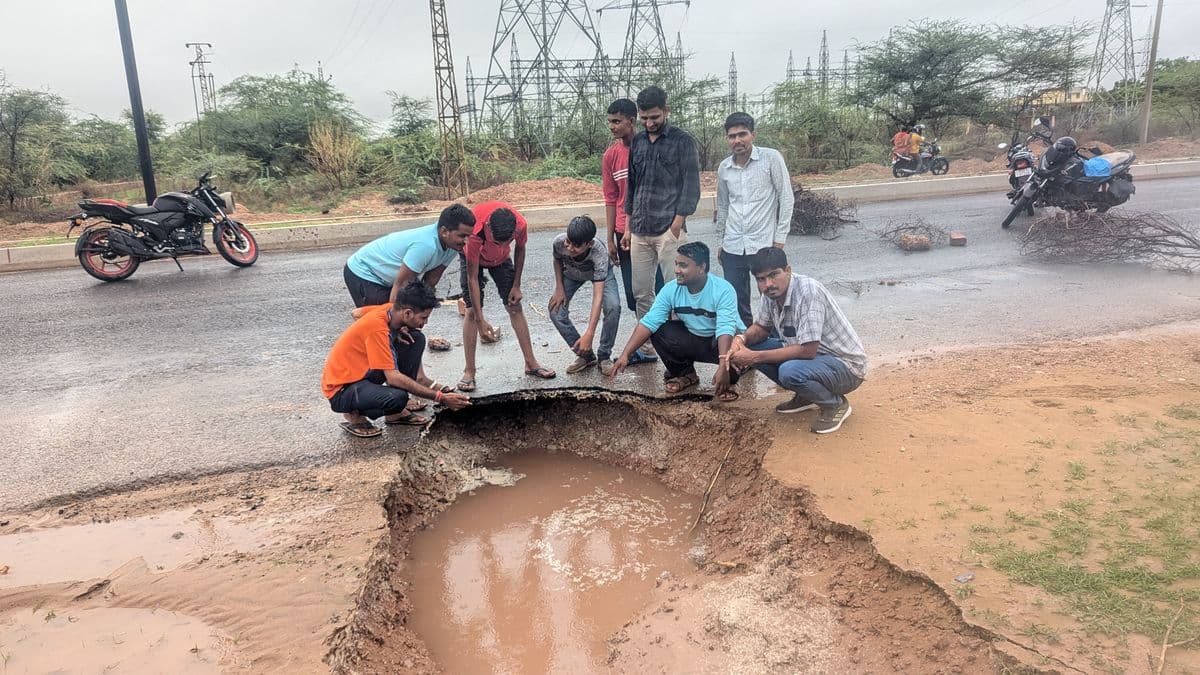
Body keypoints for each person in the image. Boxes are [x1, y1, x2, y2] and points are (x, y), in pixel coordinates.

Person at [727, 247, 867, 434]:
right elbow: (761, 328)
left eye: (774, 275)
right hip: (816, 361)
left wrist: (753, 357)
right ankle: (806, 395)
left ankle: (835, 405)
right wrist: (740, 339)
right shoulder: (771, 293)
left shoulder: (809, 291)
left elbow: (807, 351)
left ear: (788, 270)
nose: (768, 284)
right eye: (761, 279)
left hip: (846, 368)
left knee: (789, 371)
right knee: (751, 344)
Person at [321, 280, 471, 438]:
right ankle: (354, 415)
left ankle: (395, 415)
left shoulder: (389, 311)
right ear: (407, 313)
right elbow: (393, 378)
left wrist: (395, 331)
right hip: (341, 390)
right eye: (423, 317)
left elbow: (356, 312)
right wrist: (440, 397)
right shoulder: (378, 329)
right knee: (397, 398)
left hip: (362, 375)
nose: (425, 322)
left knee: (415, 339)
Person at [609, 242, 744, 401]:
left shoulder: (722, 290)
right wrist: (626, 353)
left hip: (721, 343)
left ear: (701, 267)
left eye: (683, 265)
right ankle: (685, 374)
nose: (676, 270)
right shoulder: (670, 289)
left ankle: (735, 372)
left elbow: (725, 329)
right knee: (658, 329)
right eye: (676, 264)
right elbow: (649, 322)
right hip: (693, 338)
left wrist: (723, 364)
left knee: (732, 371)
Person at [624, 85, 701, 341]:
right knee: (641, 293)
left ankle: (678, 346)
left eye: (654, 117)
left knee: (676, 290)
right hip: (640, 230)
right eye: (644, 118)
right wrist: (628, 226)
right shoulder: (637, 141)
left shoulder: (682, 141)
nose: (649, 122)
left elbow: (691, 186)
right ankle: (649, 344)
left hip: (669, 229)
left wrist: (677, 224)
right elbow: (632, 185)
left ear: (666, 111)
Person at [459, 200, 555, 391]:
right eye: (497, 242)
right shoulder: (475, 232)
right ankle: (469, 371)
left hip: (501, 261)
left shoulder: (520, 225)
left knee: (515, 306)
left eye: (507, 242)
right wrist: (480, 319)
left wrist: (516, 285)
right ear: (488, 228)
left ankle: (531, 363)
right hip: (474, 260)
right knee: (470, 312)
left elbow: (520, 249)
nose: (502, 245)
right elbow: (473, 279)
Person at [715, 111, 795, 327]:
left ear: (753, 135)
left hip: (763, 244)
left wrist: (779, 240)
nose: (737, 140)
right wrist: (720, 242)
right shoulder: (724, 168)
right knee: (736, 300)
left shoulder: (771, 158)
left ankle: (777, 343)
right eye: (732, 136)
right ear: (727, 139)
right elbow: (722, 205)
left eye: (743, 134)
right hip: (733, 245)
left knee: (772, 295)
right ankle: (748, 345)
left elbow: (786, 198)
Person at [601, 97, 660, 366]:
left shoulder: (647, 147)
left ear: (631, 121)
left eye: (617, 121)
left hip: (649, 230)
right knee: (635, 294)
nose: (612, 126)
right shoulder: (610, 156)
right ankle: (647, 348)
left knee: (660, 290)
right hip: (622, 234)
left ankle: (668, 347)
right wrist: (610, 236)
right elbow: (611, 197)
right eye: (610, 121)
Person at [343, 204, 475, 307]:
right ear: (444, 231)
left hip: (391, 277)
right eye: (462, 236)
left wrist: (422, 312)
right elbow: (401, 285)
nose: (466, 241)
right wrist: (397, 324)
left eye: (468, 236)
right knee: (382, 322)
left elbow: (430, 281)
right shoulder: (426, 245)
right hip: (364, 272)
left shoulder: (453, 245)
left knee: (409, 320)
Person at [549, 216, 622, 375]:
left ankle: (604, 355)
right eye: (568, 242)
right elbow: (557, 260)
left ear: (589, 243)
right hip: (573, 274)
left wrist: (589, 333)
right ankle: (586, 355)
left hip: (600, 274)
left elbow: (598, 297)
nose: (569, 248)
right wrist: (559, 287)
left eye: (576, 245)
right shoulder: (559, 242)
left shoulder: (598, 253)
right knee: (555, 311)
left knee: (613, 307)